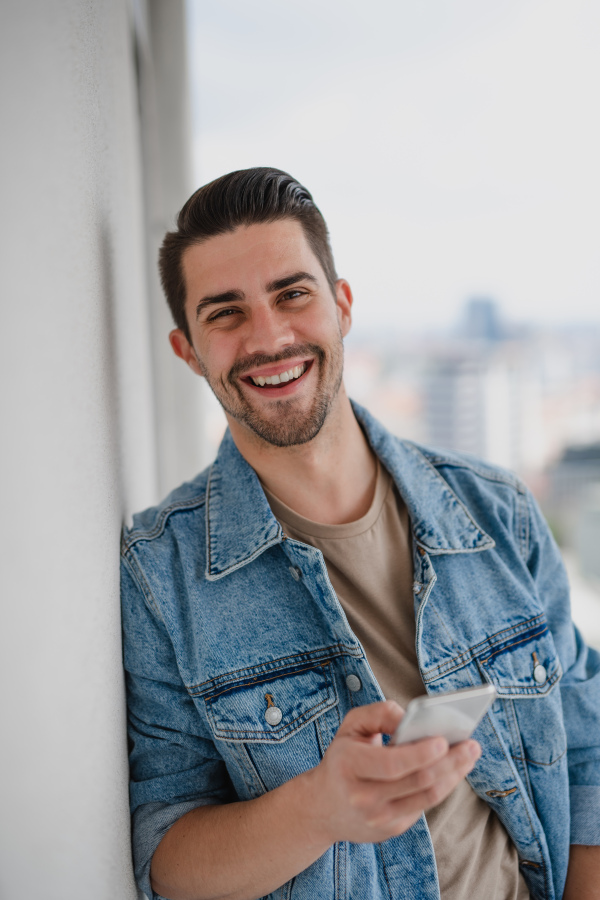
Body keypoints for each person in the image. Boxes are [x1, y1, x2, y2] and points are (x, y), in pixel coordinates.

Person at [121, 167, 600, 900]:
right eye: (226, 314)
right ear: (188, 350)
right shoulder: (159, 576)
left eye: (293, 294)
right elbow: (166, 860)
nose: (270, 337)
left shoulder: (498, 509)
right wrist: (317, 810)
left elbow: (588, 746)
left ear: (342, 306)